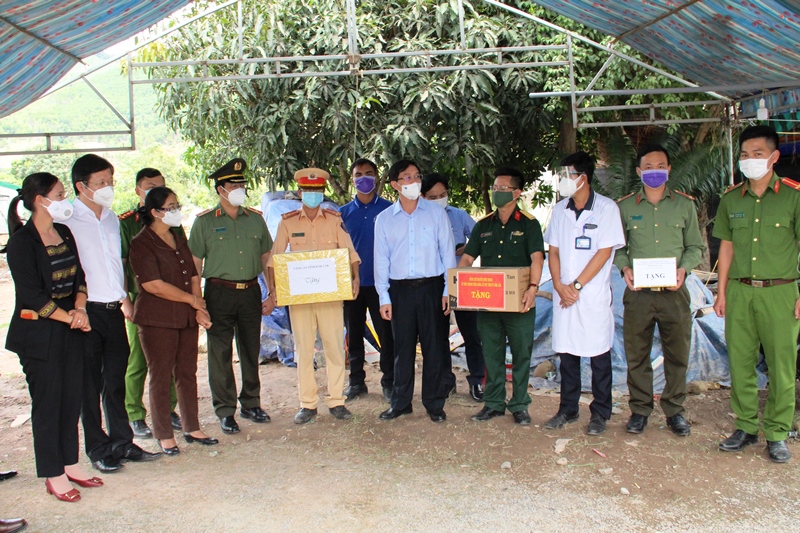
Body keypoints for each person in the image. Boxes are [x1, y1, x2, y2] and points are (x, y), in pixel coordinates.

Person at [4, 172, 100, 502]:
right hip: (38, 333)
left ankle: (70, 463)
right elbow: (30, 295)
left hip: (70, 325)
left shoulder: (65, 232)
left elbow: (80, 278)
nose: (64, 201)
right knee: (48, 403)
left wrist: (80, 308)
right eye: (59, 196)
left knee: (71, 398)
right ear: (39, 201)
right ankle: (53, 473)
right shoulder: (21, 243)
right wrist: (70, 318)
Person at [65, 154, 161, 473]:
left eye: (110, 181)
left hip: (113, 309)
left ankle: (122, 440)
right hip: (85, 313)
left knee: (114, 381)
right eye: (101, 183)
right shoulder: (67, 219)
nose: (108, 187)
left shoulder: (110, 218)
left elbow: (115, 264)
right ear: (81, 186)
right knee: (89, 385)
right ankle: (97, 447)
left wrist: (124, 301)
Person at [712, 125, 800, 463]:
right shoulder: (732, 198)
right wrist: (720, 293)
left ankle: (777, 432)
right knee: (741, 362)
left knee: (781, 366)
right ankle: (746, 426)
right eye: (745, 155)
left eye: (758, 154)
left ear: (774, 157)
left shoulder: (793, 196)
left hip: (781, 292)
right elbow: (727, 248)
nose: (750, 161)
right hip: (739, 291)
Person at [613, 144, 705, 437]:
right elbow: (617, 248)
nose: (655, 171)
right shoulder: (625, 206)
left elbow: (695, 247)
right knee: (636, 355)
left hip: (674, 293)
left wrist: (684, 269)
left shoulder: (684, 205)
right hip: (638, 294)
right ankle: (640, 410)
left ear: (669, 169)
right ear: (639, 171)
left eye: (660, 166)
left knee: (677, 353)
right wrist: (625, 268)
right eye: (648, 167)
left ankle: (675, 411)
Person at [268, 168, 361, 424]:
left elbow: (350, 252)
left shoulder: (334, 219)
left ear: (323, 192)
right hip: (300, 298)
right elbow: (274, 259)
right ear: (299, 192)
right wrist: (274, 288)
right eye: (308, 191)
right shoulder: (287, 222)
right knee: (304, 350)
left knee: (334, 348)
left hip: (331, 296)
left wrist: (355, 277)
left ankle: (336, 401)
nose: (313, 195)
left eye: (317, 190)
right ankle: (307, 404)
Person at [130, 187, 218, 455]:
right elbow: (153, 285)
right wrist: (191, 302)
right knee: (160, 374)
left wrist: (198, 306)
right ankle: (164, 434)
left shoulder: (177, 236)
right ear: (155, 212)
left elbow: (193, 274)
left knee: (186, 373)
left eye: (177, 205)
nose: (176, 211)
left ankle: (192, 427)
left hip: (185, 317)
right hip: (157, 318)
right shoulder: (141, 243)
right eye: (171, 207)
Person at [188, 158, 274, 434]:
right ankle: (225, 410)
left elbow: (266, 258)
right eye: (233, 184)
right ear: (220, 189)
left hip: (250, 291)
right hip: (218, 293)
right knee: (219, 353)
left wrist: (272, 292)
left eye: (241, 184)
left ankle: (251, 403)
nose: (239, 188)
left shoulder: (256, 219)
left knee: (250, 350)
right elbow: (194, 267)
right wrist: (197, 303)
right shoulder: (203, 223)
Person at [542, 152, 625, 435]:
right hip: (564, 293)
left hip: (590, 296)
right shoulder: (560, 210)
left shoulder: (606, 208)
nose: (562, 180)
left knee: (599, 355)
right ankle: (568, 409)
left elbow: (604, 252)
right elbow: (553, 251)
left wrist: (576, 286)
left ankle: (601, 412)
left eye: (567, 174)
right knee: (567, 355)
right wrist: (558, 285)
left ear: (583, 178)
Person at [374, 159, 456, 423]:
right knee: (402, 349)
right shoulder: (384, 219)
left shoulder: (435, 214)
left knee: (435, 348)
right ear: (395, 184)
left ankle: (434, 403)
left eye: (417, 176)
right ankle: (400, 403)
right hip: (400, 292)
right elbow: (381, 261)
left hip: (433, 289)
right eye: (407, 177)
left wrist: (448, 291)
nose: (414, 181)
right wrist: (384, 297)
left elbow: (447, 255)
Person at [460, 167, 544, 425]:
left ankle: (519, 404)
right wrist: (460, 282)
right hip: (488, 302)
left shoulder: (529, 224)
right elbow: (467, 258)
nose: (496, 193)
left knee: (521, 354)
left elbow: (537, 258)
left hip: (520, 303)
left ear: (516, 193)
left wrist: (533, 287)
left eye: (502, 189)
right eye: (494, 189)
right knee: (492, 354)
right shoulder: (484, 225)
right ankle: (494, 403)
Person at [120, 168, 181, 439]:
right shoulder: (126, 223)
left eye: (160, 186)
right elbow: (121, 265)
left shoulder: (174, 222)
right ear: (138, 191)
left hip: (171, 299)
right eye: (149, 186)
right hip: (141, 301)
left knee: (168, 360)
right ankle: (134, 414)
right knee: (139, 360)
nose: (154, 190)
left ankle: (168, 409)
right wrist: (125, 302)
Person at [422, 172, 485, 401]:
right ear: (422, 197)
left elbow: (481, 237)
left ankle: (478, 380)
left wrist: (466, 250)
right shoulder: (419, 219)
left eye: (443, 194)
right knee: (438, 336)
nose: (439, 199)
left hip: (462, 281)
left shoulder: (458, 216)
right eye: (432, 196)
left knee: (472, 334)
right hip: (434, 282)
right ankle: (446, 382)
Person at [339, 158, 395, 403]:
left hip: (383, 285)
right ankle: (356, 383)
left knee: (386, 335)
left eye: (369, 173)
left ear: (377, 177)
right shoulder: (341, 214)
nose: (364, 178)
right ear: (352, 180)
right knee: (354, 334)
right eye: (358, 174)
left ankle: (389, 382)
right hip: (352, 285)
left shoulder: (390, 210)